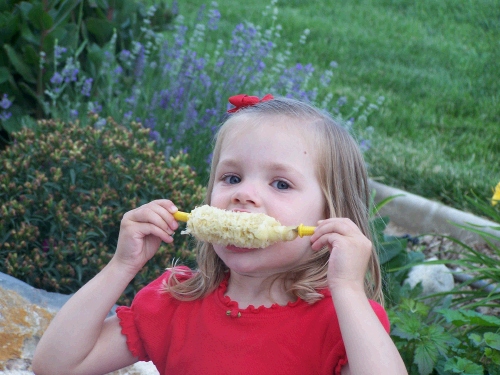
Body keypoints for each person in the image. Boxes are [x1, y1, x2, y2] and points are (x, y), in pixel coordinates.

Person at [32, 94, 408, 375]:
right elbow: (55, 366)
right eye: (231, 178)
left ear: (332, 216)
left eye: (280, 183)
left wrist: (347, 288)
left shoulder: (341, 318)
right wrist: (121, 265)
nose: (243, 194)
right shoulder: (175, 301)